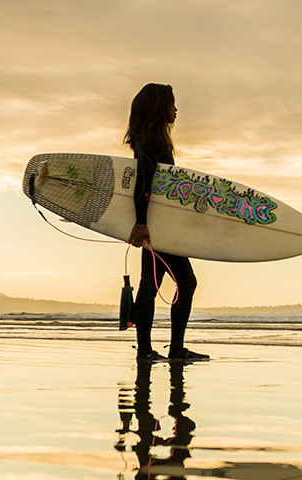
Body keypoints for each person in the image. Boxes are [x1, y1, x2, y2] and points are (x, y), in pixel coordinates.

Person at [124, 83, 207, 361]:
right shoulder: (152, 142)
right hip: (159, 227)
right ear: (160, 107)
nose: (176, 110)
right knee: (186, 282)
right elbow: (143, 184)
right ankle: (172, 349)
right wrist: (141, 222)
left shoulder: (150, 140)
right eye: (172, 104)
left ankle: (148, 351)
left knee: (150, 284)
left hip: (158, 224)